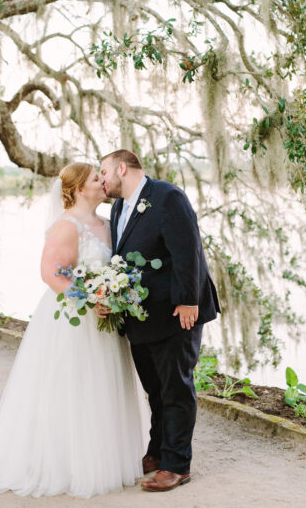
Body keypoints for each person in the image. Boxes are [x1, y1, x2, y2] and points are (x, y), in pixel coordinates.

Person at [0, 162, 145, 499]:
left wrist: (113, 296)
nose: (103, 182)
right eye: (95, 178)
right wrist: (91, 300)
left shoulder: (107, 223)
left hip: (105, 321)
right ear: (77, 189)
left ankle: (104, 459)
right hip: (72, 320)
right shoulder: (66, 226)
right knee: (70, 387)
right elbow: (52, 275)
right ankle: (64, 464)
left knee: (102, 386)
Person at [100, 149, 220, 492]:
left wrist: (187, 300)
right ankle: (156, 452)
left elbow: (188, 250)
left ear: (122, 167)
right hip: (141, 316)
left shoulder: (167, 196)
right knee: (155, 390)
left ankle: (177, 465)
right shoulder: (118, 207)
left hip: (176, 313)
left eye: (104, 171)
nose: (102, 179)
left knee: (176, 389)